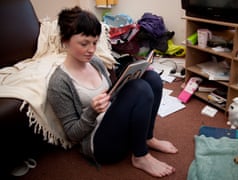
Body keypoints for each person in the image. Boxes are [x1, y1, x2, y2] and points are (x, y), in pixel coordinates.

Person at [47, 6, 178, 178]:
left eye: (94, 42)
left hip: (115, 123)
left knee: (152, 78)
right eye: (84, 43)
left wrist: (132, 77)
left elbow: (112, 95)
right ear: (65, 41)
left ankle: (147, 137)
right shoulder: (59, 83)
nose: (91, 50)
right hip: (100, 145)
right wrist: (92, 111)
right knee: (139, 88)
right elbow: (72, 135)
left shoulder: (95, 62)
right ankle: (141, 156)